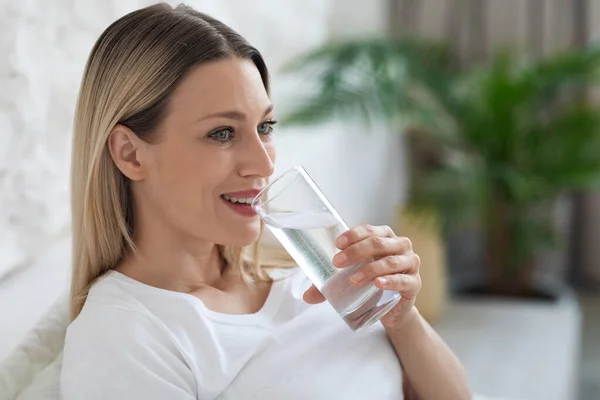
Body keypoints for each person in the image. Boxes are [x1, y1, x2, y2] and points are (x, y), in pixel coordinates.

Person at [60, 3, 471, 399]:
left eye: (265, 126)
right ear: (130, 154)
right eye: (222, 133)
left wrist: (403, 318)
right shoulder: (125, 336)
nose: (263, 162)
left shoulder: (311, 278)